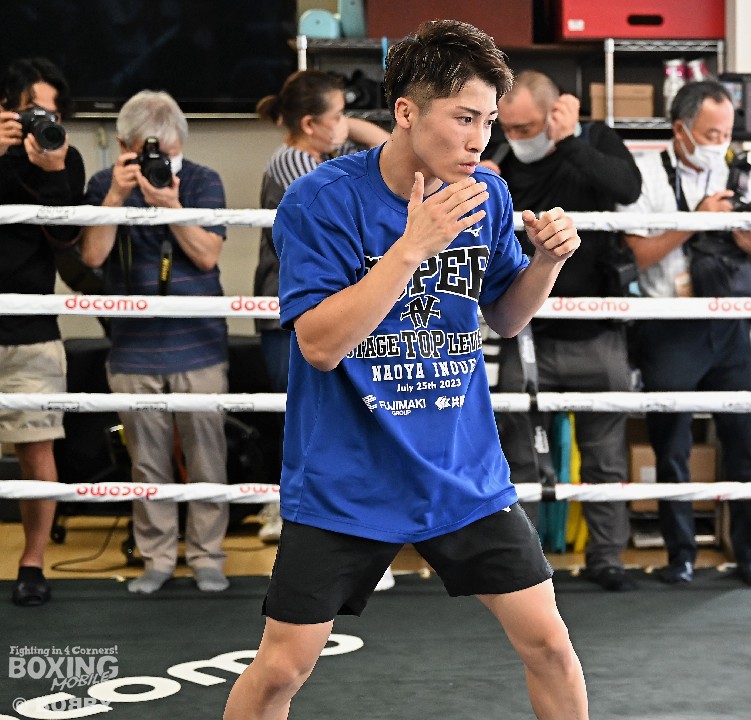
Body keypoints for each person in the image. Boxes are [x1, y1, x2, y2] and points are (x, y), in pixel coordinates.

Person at [223, 20, 588, 720]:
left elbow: (507, 318)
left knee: (550, 645)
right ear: (407, 112)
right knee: (281, 669)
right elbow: (320, 345)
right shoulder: (321, 201)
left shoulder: (486, 195)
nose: (480, 138)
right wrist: (412, 247)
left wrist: (546, 262)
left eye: (487, 120)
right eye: (464, 118)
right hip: (347, 476)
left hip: (459, 470)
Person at [484, 69, 642, 592]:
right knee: (519, 455)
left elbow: (627, 188)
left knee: (605, 454)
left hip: (597, 331)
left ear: (554, 112)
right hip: (527, 333)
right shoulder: (499, 160)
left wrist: (570, 140)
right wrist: (480, 185)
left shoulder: (593, 140)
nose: (516, 137)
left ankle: (607, 558)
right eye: (507, 127)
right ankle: (522, 564)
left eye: (527, 127)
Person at [620, 80, 751, 587]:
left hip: (729, 323)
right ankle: (680, 555)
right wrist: (695, 219)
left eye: (726, 134)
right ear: (680, 129)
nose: (719, 143)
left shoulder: (734, 172)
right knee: (671, 446)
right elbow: (636, 256)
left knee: (744, 443)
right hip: (667, 324)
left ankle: (750, 552)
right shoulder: (643, 174)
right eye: (710, 134)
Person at [80, 90, 231, 595]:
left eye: (164, 153)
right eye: (145, 151)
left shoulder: (203, 180)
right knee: (146, 461)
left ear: (179, 143)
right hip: (132, 346)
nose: (156, 163)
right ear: (124, 145)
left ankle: (208, 556)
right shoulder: (104, 184)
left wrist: (171, 206)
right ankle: (157, 557)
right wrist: (114, 199)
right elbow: (92, 257)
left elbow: (207, 255)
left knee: (207, 456)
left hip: (198, 342)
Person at [253, 70, 389, 561]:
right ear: (309, 124)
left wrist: (346, 121)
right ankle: (291, 515)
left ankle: (347, 528)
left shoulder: (326, 155)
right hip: (296, 312)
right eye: (336, 116)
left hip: (330, 309)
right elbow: (338, 212)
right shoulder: (293, 165)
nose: (345, 124)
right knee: (303, 419)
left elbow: (388, 147)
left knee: (337, 419)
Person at [0, 57, 85, 607]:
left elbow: (68, 237)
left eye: (50, 113)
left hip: (30, 325)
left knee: (36, 448)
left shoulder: (62, 154)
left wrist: (52, 172)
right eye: (31, 110)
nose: (41, 122)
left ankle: (33, 561)